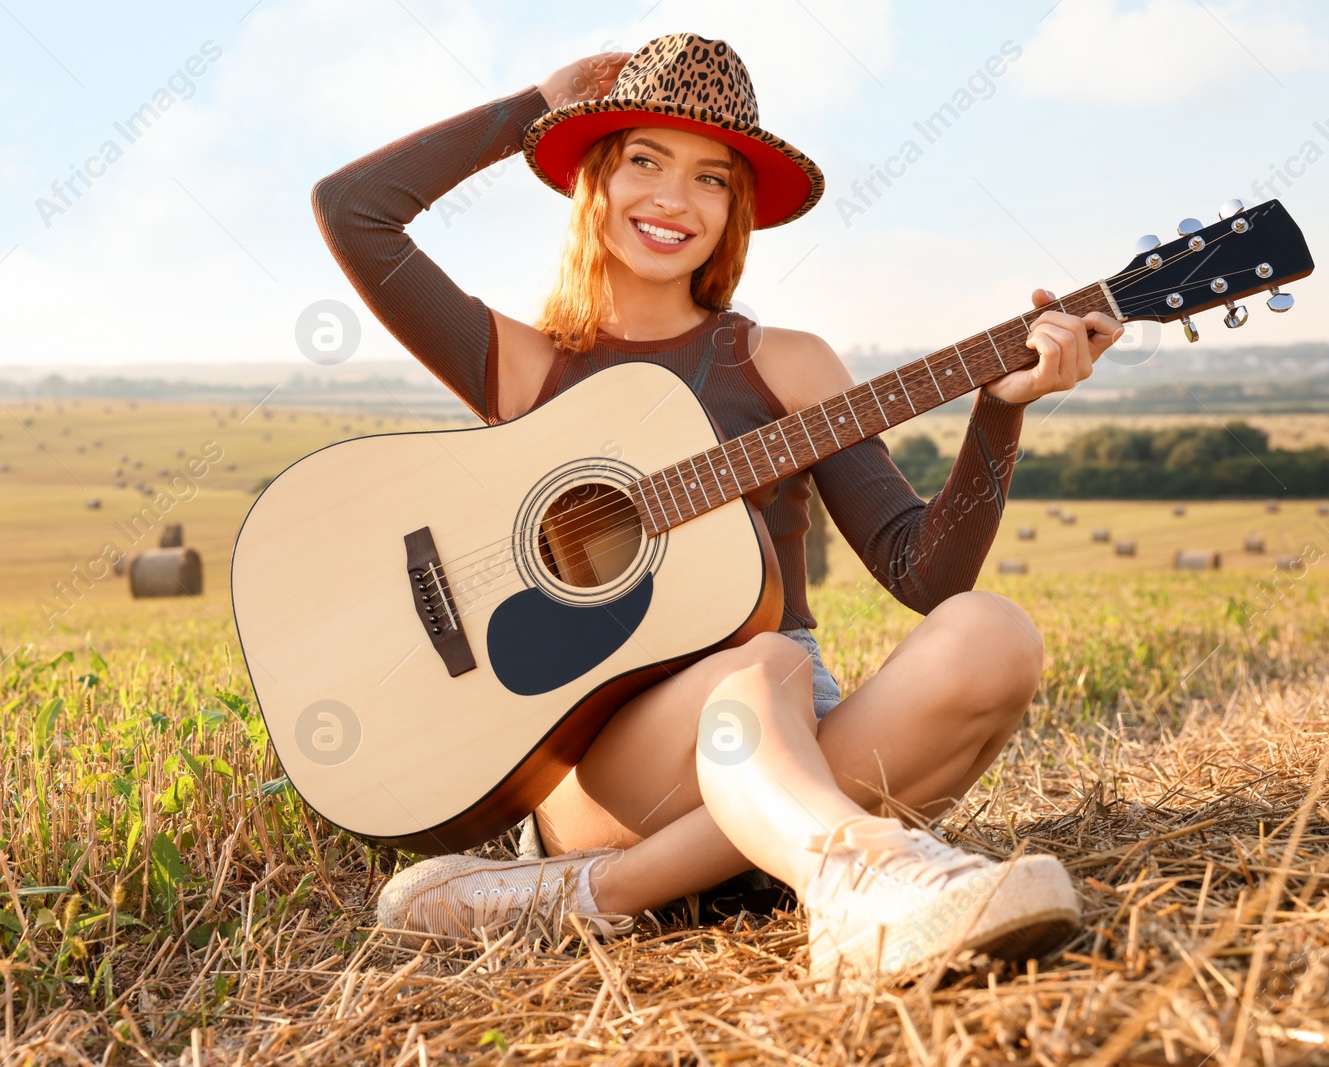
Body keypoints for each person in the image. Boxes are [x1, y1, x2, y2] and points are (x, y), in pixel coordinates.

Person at [309, 33, 1124, 978]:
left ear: (735, 208)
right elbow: (354, 211)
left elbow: (925, 573)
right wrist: (535, 107)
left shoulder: (789, 364)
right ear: (594, 183)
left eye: (710, 177)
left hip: (799, 737)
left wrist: (999, 412)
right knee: (764, 656)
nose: (671, 199)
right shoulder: (527, 367)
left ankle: (604, 895)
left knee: (993, 633)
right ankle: (860, 875)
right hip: (607, 763)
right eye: (641, 161)